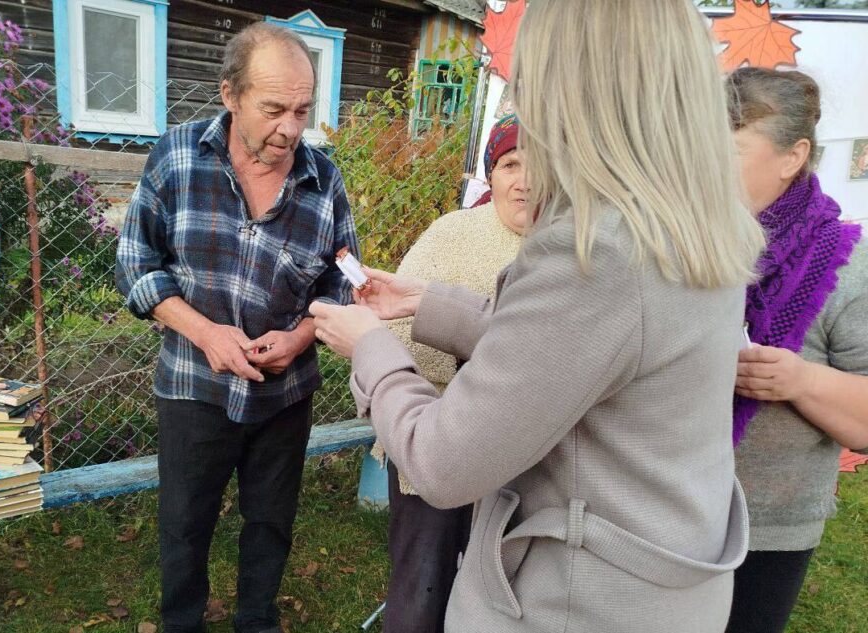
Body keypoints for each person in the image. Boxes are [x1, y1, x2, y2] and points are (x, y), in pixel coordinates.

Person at [309, 0, 766, 631]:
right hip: (657, 586)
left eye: (529, 80)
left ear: (569, 89)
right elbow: (576, 355)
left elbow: (444, 462)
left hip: (572, 602)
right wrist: (425, 304)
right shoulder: (690, 225)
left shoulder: (598, 252)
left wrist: (370, 347)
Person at [114, 22, 360, 633]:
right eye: (273, 109)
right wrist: (206, 333)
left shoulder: (324, 180)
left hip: (285, 393)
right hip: (193, 383)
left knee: (271, 522)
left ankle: (257, 621)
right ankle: (182, 623)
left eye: (302, 111)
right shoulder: (177, 156)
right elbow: (135, 263)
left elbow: (342, 281)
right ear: (230, 94)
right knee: (184, 523)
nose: (291, 129)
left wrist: (300, 338)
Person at [374, 114, 531, 633]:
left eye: (542, 165)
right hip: (439, 434)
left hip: (527, 457)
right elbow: (397, 331)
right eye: (511, 165)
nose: (525, 181)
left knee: (505, 588)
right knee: (424, 580)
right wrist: (469, 370)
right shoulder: (452, 235)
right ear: (492, 172)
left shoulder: (570, 248)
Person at [725, 67, 868, 633]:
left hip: (767, 532)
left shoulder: (847, 265)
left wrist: (800, 381)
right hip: (658, 511)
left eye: (733, 150)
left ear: (793, 156)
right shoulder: (681, 246)